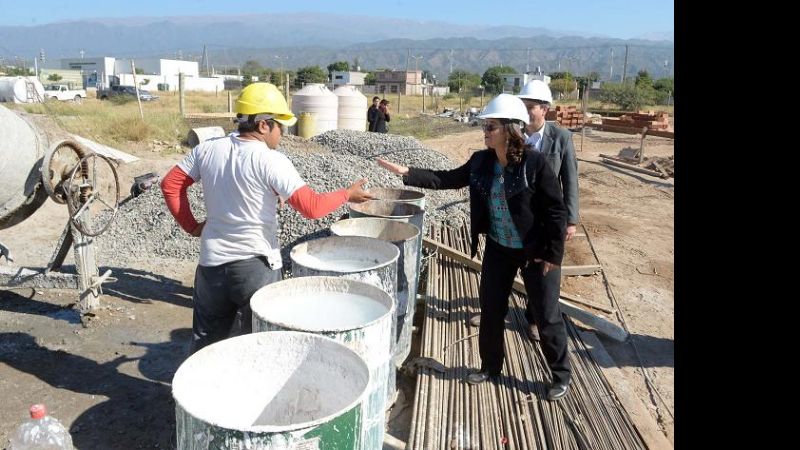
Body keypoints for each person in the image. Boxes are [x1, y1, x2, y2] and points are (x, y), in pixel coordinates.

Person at [377, 94, 571, 401]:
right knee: (492, 310)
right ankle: (491, 366)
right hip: (499, 247)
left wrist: (553, 253)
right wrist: (407, 173)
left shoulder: (535, 164)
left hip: (534, 249)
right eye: (484, 125)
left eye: (491, 126)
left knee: (546, 315)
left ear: (511, 129)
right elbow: (447, 179)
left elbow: (556, 211)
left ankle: (561, 374)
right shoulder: (481, 162)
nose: (485, 131)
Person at [161, 82, 374, 355]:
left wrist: (192, 226)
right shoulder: (271, 160)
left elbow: (171, 184)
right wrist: (347, 194)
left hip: (211, 266)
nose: (282, 134)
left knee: (206, 345)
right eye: (280, 126)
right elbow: (312, 207)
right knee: (260, 343)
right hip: (255, 267)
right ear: (263, 125)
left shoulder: (207, 150)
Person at [517, 79, 579, 342]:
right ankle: (493, 312)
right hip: (521, 215)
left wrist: (571, 219)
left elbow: (570, 179)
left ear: (545, 109)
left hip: (549, 217)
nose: (526, 111)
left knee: (545, 272)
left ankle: (534, 318)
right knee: (521, 264)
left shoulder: (561, 138)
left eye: (530, 106)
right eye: (523, 105)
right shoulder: (516, 134)